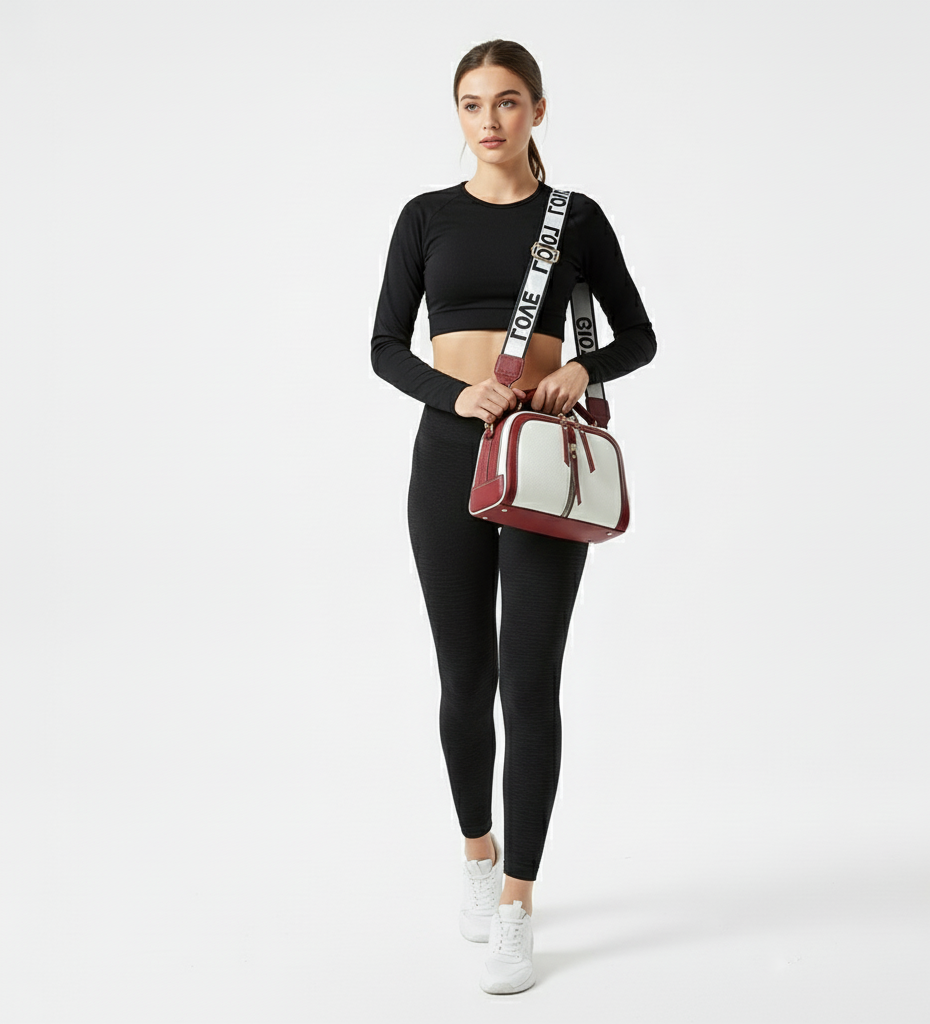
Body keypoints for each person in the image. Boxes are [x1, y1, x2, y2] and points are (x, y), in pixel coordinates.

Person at [370, 39, 657, 994]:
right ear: (457, 116)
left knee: (530, 683)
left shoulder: (574, 220)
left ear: (538, 109)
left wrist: (583, 367)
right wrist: (455, 398)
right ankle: (478, 853)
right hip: (449, 457)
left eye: (505, 102)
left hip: (539, 462)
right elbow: (383, 347)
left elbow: (640, 333)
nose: (487, 120)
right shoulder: (425, 218)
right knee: (465, 677)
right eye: (469, 104)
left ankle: (519, 905)